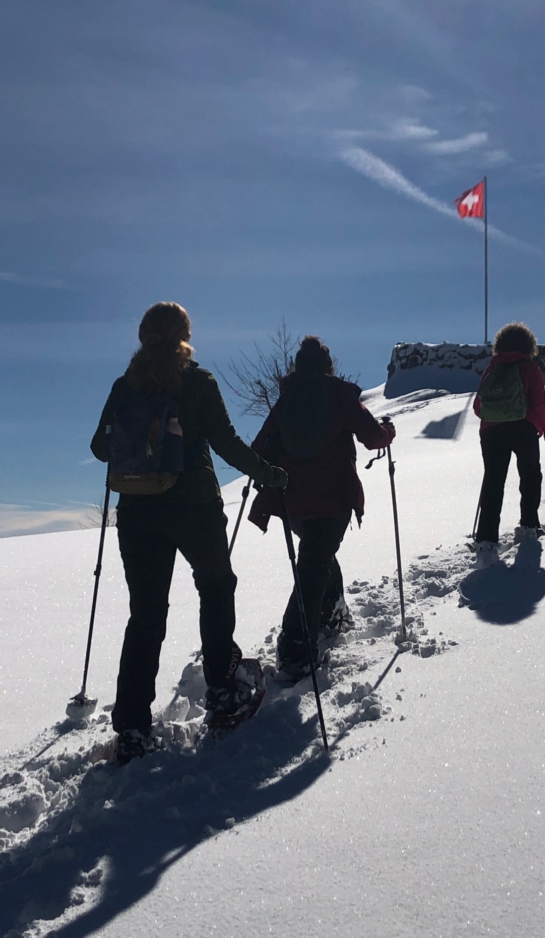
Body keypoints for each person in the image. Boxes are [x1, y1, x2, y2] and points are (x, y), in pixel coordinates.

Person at [91, 302, 287, 764]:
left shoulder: (125, 385)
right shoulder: (197, 380)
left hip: (138, 514)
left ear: (142, 336)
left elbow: (100, 447)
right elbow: (226, 442)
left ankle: (134, 729)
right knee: (217, 588)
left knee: (146, 615)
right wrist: (270, 474)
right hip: (195, 504)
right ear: (184, 335)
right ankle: (222, 690)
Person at [249, 335, 395, 681]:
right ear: (328, 366)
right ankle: (296, 651)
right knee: (313, 566)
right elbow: (372, 436)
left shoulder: (286, 401)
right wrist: (388, 431)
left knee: (317, 555)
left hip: (292, 501)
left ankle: (331, 615)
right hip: (333, 498)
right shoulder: (340, 395)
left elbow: (259, 447)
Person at [473, 322, 545, 547]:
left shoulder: (492, 368)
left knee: (493, 480)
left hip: (491, 431)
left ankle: (486, 538)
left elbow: (478, 407)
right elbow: (539, 404)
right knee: (530, 476)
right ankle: (528, 527)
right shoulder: (529, 368)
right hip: (523, 428)